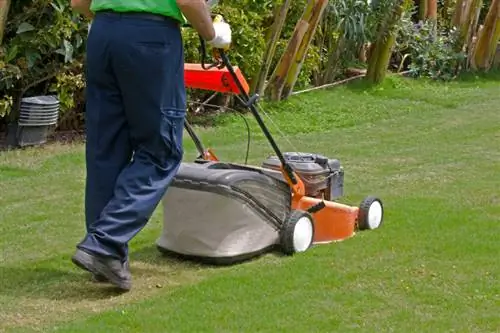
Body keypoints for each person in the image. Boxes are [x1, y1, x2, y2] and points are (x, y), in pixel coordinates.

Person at [69, 0, 232, 291]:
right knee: (161, 152)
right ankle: (105, 241)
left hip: (103, 35)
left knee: (106, 151)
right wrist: (213, 34)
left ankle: (107, 257)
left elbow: (78, 2)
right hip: (150, 39)